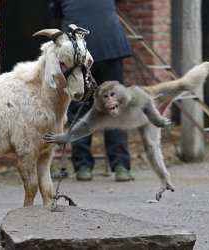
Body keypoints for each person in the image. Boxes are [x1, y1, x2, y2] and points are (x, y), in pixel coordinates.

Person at [50, 0, 134, 182]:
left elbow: (56, 15)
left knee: (79, 109)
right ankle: (121, 167)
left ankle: (83, 167)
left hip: (81, 53)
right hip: (110, 48)